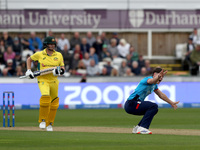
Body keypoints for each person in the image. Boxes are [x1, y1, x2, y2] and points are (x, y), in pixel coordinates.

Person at [25, 36, 65, 131]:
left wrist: (59, 72)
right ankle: (42, 120)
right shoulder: (40, 54)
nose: (52, 45)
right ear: (46, 45)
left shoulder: (59, 55)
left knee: (54, 102)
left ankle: (50, 123)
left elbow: (62, 68)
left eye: (53, 44)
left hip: (54, 80)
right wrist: (29, 70)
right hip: (43, 79)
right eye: (50, 44)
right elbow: (29, 59)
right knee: (45, 96)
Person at [124, 67, 179, 134]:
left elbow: (161, 95)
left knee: (154, 109)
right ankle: (143, 128)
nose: (161, 78)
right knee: (153, 106)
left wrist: (171, 103)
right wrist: (158, 76)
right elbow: (151, 81)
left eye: (162, 76)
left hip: (135, 104)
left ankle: (137, 128)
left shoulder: (155, 85)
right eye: (160, 76)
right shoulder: (147, 79)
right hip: (132, 103)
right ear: (154, 74)